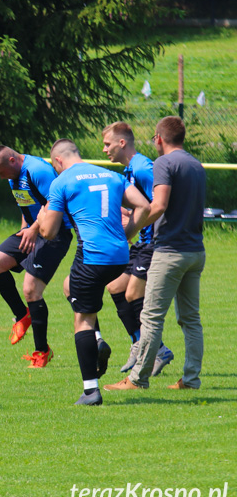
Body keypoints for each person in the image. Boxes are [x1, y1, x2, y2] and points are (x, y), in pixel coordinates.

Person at [37, 139, 150, 406]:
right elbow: (144, 206)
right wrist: (125, 235)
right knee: (69, 286)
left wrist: (43, 217)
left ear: (58, 161)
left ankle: (91, 391)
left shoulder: (62, 182)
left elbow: (48, 232)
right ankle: (100, 341)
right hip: (120, 256)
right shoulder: (111, 175)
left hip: (92, 256)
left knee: (83, 320)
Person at [105, 116, 206, 392]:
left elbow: (158, 205)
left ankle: (137, 379)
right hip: (195, 251)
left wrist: (132, 227)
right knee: (190, 319)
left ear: (159, 138)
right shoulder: (196, 165)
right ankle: (191, 379)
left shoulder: (163, 163)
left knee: (150, 316)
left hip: (170, 251)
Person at [0, 145, 73, 367]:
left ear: (13, 160)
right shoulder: (12, 175)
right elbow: (27, 206)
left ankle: (42, 352)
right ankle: (22, 315)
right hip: (32, 231)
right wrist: (25, 231)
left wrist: (33, 230)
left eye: (2, 171)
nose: (2, 177)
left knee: (31, 289)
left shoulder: (38, 170)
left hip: (54, 233)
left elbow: (54, 203)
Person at [100, 122, 173, 374]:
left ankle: (157, 350)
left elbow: (162, 202)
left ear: (122, 143)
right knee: (115, 286)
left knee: (132, 294)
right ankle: (138, 343)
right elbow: (142, 205)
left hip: (153, 243)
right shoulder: (129, 170)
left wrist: (134, 223)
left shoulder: (142, 167)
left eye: (108, 144)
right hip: (140, 243)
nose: (104, 149)